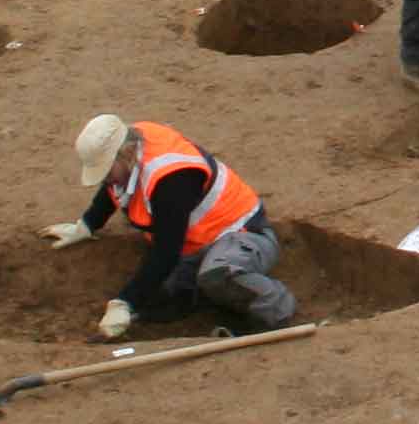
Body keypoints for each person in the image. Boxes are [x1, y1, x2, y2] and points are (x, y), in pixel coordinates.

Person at [54, 113, 296, 338]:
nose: (105, 178)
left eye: (106, 170)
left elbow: (166, 252)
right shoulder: (130, 150)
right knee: (162, 300)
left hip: (244, 233)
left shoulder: (170, 181)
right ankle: (216, 308)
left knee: (216, 275)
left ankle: (277, 309)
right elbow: (113, 188)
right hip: (198, 243)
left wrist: (125, 302)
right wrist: (87, 225)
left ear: (125, 153)